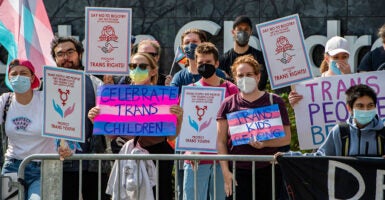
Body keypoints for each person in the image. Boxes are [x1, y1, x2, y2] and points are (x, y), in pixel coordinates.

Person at [89, 52, 183, 200]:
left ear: (153, 70)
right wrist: (97, 120)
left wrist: (179, 118)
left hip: (157, 156)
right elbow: (112, 134)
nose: (136, 69)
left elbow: (171, 136)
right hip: (128, 155)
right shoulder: (117, 95)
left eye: (142, 66)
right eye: (132, 66)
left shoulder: (164, 97)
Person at [216, 55, 291, 200]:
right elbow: (221, 141)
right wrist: (226, 171)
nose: (245, 78)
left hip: (269, 170)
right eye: (240, 75)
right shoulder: (228, 104)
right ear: (235, 78)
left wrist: (264, 144)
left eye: (249, 74)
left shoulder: (274, 101)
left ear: (258, 76)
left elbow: (286, 138)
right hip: (238, 171)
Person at [50, 36, 111, 200]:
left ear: (80, 54)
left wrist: (100, 117)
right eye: (60, 54)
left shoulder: (96, 83)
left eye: (70, 52)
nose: (65, 57)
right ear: (55, 59)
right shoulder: (46, 86)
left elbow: (111, 122)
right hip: (60, 163)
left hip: (92, 163)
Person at [182, 42, 239, 200]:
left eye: (208, 63)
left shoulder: (231, 89)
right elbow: (183, 126)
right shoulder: (190, 90)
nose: (204, 66)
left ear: (217, 63)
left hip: (222, 160)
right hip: (195, 159)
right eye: (200, 63)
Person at [0, 59, 57, 199]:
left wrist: (66, 146)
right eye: (14, 74)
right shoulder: (5, 100)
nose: (18, 77)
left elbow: (64, 126)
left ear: (32, 77)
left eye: (23, 73)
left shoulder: (46, 100)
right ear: (9, 78)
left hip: (42, 168)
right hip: (12, 167)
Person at [277, 84, 385, 157]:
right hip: (348, 190)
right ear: (349, 108)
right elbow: (320, 158)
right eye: (360, 106)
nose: (365, 110)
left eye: (370, 106)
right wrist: (288, 156)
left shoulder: (383, 132)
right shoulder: (340, 132)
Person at [289, 36, 352, 106]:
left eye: (344, 57)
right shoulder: (315, 84)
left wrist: (348, 78)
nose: (340, 60)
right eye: (336, 57)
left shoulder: (356, 82)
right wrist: (295, 102)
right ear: (327, 59)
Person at [218, 15, 268, 90]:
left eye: (246, 29)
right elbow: (222, 87)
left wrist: (229, 79)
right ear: (233, 32)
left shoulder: (259, 57)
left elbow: (261, 84)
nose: (242, 32)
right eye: (239, 29)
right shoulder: (223, 59)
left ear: (250, 32)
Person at [169, 28, 226, 92]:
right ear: (182, 48)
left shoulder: (218, 74)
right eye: (187, 42)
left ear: (202, 44)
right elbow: (171, 100)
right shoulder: (179, 77)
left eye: (194, 41)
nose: (190, 45)